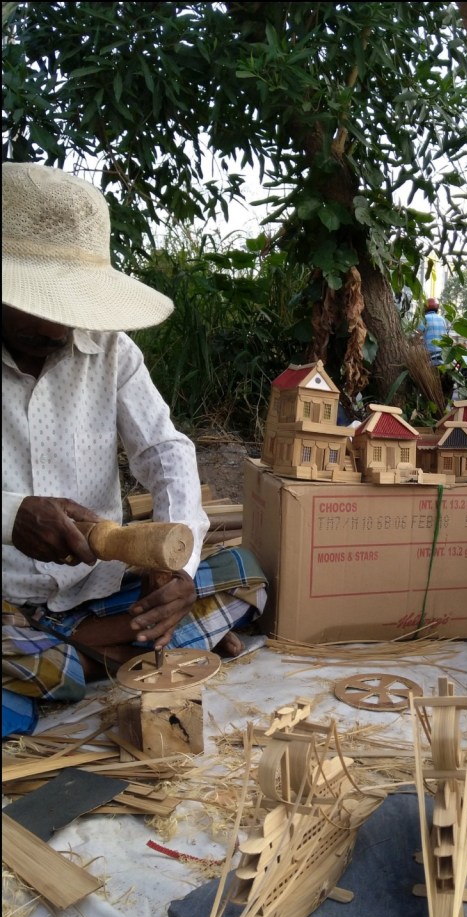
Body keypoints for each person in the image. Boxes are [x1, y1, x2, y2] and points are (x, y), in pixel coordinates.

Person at [2, 163, 267, 737]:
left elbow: (167, 452)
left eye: (66, 309)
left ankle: (76, 658)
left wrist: (176, 568)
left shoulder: (111, 351)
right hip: (5, 602)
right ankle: (104, 656)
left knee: (245, 574)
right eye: (36, 307)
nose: (55, 330)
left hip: (96, 592)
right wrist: (11, 515)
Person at [416, 296, 449, 365]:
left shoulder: (424, 319)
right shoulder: (442, 319)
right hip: (443, 355)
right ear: (437, 308)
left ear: (425, 308)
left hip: (430, 356)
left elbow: (416, 335)